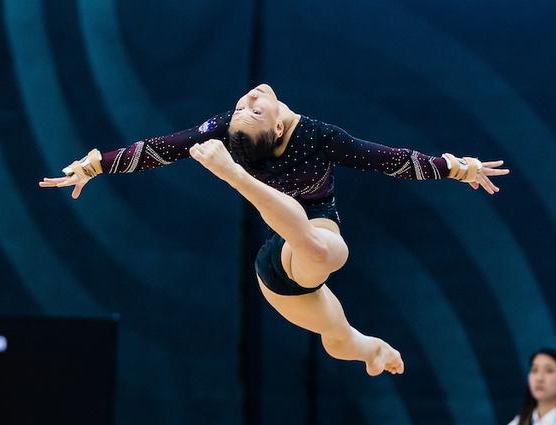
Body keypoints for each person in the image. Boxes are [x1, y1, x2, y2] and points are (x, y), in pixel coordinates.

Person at [39, 84, 509, 376]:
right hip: (281, 262)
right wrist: (96, 166)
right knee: (327, 252)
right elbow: (161, 148)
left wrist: (454, 168)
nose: (250, 99)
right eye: (250, 109)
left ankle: (375, 350)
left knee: (341, 339)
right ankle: (240, 182)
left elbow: (386, 159)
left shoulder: (311, 135)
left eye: (248, 106)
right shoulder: (250, 133)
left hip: (303, 249)